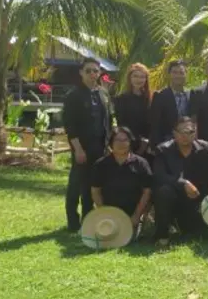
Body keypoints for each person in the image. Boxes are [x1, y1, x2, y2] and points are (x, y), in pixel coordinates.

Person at [63, 57, 113, 231]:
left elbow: (109, 120)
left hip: (101, 147)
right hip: (82, 148)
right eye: (88, 71)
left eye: (95, 71)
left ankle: (87, 217)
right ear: (81, 73)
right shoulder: (74, 96)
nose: (92, 74)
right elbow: (70, 126)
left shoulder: (103, 93)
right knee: (76, 184)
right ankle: (72, 221)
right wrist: (78, 149)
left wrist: (109, 145)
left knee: (91, 184)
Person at [153, 117, 208, 247]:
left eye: (190, 132)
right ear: (174, 133)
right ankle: (162, 235)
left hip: (197, 198)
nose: (185, 136)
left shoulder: (204, 148)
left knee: (196, 233)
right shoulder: (163, 150)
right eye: (181, 132)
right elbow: (160, 176)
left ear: (195, 132)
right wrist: (184, 183)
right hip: (174, 198)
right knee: (164, 191)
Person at [91, 127, 152, 235]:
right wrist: (105, 212)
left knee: (129, 238)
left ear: (130, 142)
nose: (121, 143)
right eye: (117, 140)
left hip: (134, 213)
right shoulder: (100, 165)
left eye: (125, 140)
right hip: (110, 214)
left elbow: (147, 191)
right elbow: (95, 191)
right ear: (111, 143)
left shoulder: (141, 163)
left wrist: (137, 215)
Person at [149, 60, 190, 151]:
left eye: (181, 72)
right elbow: (155, 124)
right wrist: (157, 146)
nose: (178, 76)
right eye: (174, 72)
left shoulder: (192, 95)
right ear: (169, 74)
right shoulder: (160, 96)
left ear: (186, 74)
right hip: (167, 144)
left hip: (188, 143)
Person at [114, 63, 152, 156]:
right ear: (130, 78)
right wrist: (139, 142)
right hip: (130, 144)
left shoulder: (152, 98)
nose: (139, 80)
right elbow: (122, 124)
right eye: (135, 76)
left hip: (150, 145)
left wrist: (147, 141)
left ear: (146, 79)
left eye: (142, 77)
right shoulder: (121, 99)